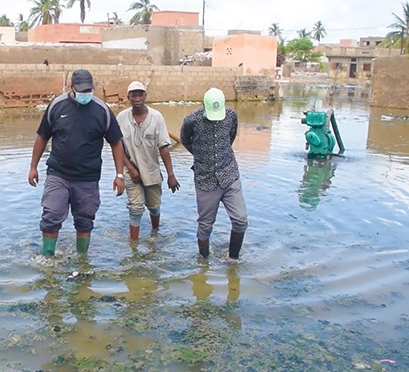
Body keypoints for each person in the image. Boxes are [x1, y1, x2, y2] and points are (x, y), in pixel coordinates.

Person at [28, 69, 126, 256]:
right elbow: (42, 136)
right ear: (71, 87)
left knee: (85, 221)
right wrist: (33, 167)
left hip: (87, 178)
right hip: (58, 174)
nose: (85, 95)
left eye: (88, 90)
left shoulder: (102, 110)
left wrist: (119, 175)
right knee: (51, 217)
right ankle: (48, 259)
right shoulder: (57, 106)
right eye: (81, 91)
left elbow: (116, 142)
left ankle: (82, 260)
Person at [180, 88, 247, 259]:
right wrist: (202, 156)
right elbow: (185, 140)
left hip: (229, 174)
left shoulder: (231, 116)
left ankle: (233, 260)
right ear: (204, 105)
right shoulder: (191, 121)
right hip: (205, 179)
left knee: (240, 220)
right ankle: (204, 262)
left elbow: (231, 137)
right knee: (205, 225)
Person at [116, 81, 179, 241]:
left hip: (151, 171)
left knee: (154, 206)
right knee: (135, 208)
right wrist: (130, 168)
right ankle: (134, 246)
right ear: (128, 97)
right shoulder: (122, 118)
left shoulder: (156, 117)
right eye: (133, 95)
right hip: (130, 171)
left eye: (140, 95)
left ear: (145, 96)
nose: (137, 98)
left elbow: (163, 147)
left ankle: (155, 234)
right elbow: (117, 147)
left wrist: (171, 174)